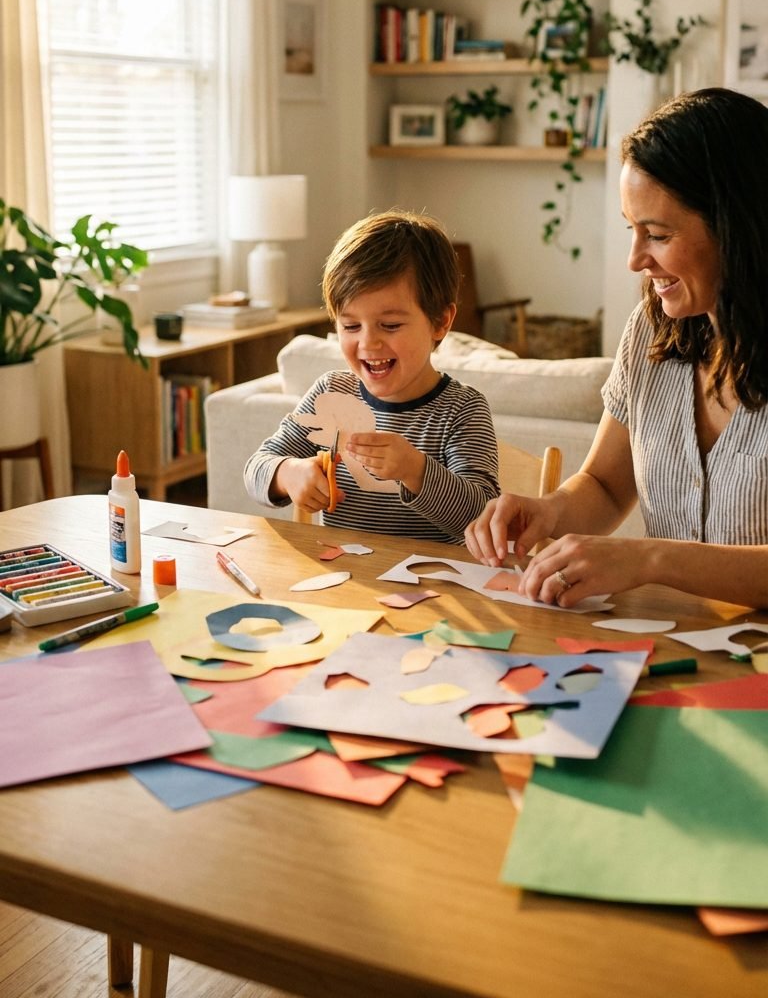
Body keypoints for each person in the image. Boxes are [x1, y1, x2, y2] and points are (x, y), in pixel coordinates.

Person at [465, 88, 768, 610]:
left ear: (736, 227)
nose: (635, 259)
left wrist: (649, 558)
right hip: (669, 637)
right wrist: (548, 511)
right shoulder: (651, 331)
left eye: (658, 234)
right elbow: (605, 485)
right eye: (632, 229)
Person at [244, 209, 499, 542]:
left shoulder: (462, 409)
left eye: (390, 325)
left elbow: (483, 516)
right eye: (351, 326)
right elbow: (256, 468)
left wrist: (416, 471)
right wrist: (287, 473)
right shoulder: (331, 393)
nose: (368, 343)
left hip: (434, 574)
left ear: (440, 322)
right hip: (345, 570)